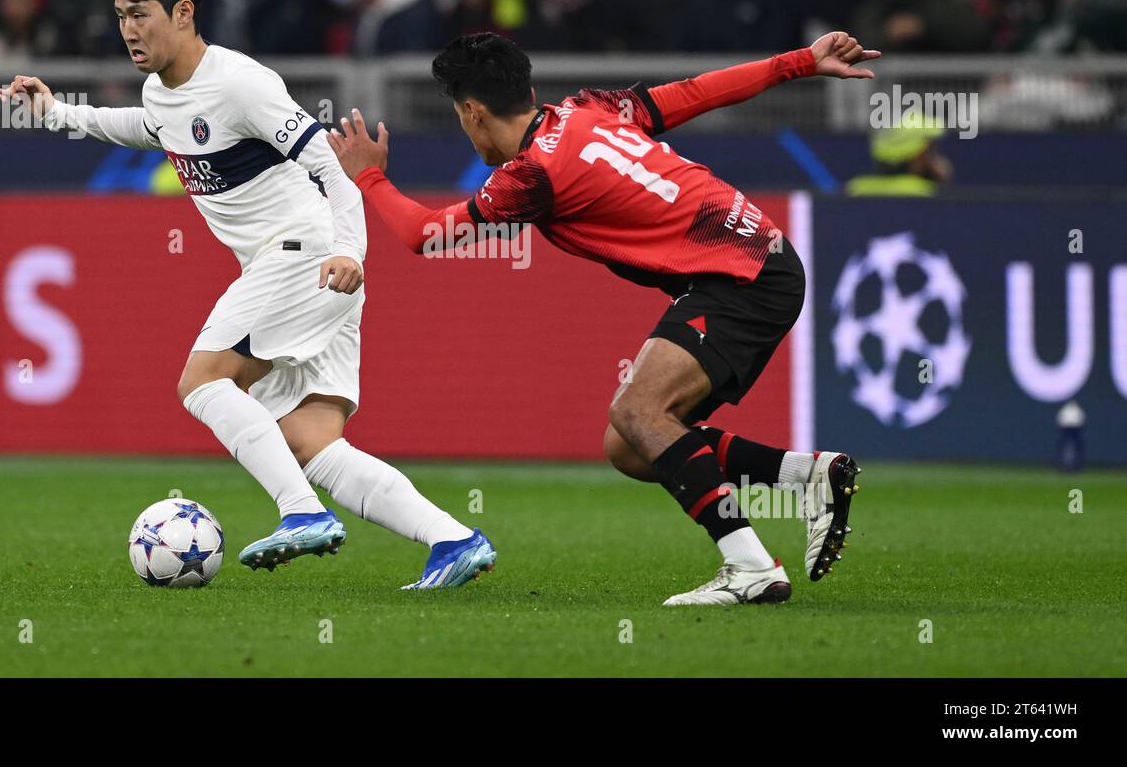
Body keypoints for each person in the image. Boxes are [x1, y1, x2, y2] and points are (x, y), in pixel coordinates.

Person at [0, 0, 494, 590]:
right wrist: (54, 110)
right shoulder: (163, 93)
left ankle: (300, 513)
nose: (128, 29)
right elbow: (143, 126)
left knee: (201, 381)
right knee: (309, 442)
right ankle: (454, 540)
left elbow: (330, 164)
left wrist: (351, 250)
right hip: (311, 270)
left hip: (307, 256)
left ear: (183, 12)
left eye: (141, 13)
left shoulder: (239, 83)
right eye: (120, 15)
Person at [329, 31, 875, 606]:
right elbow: (691, 93)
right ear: (530, 90)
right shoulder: (589, 110)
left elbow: (423, 235)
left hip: (740, 276)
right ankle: (806, 476)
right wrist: (800, 62)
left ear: (472, 111)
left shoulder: (530, 176)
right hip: (755, 255)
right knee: (630, 443)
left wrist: (368, 176)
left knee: (639, 411)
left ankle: (751, 567)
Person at [847, 110, 952, 196]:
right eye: (931, 151)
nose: (936, 159)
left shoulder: (855, 189)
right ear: (918, 157)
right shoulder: (928, 194)